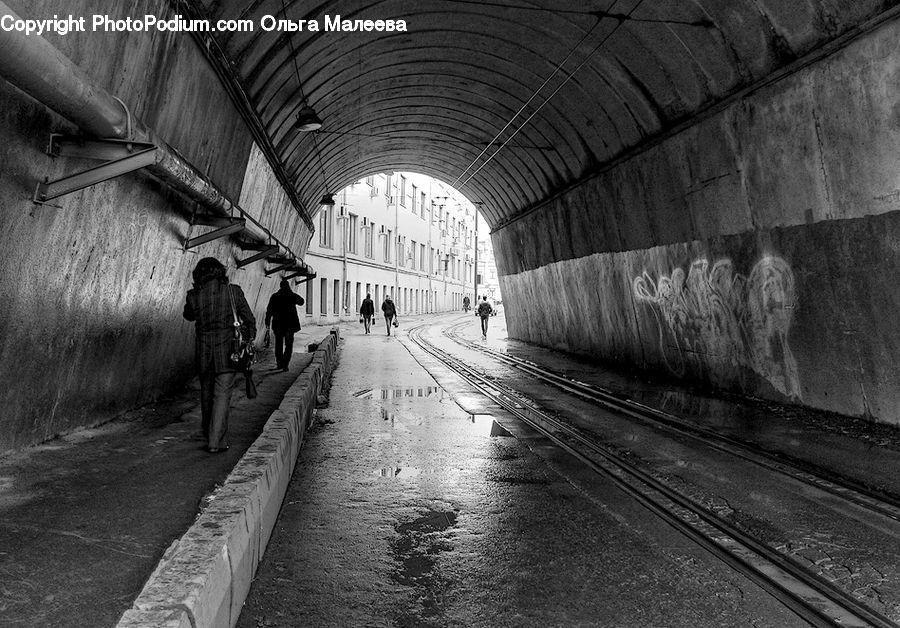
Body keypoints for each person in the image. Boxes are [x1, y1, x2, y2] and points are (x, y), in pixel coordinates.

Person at [183, 257, 256, 453]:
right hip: (229, 352)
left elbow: (188, 315)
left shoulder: (193, 295)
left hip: (204, 353)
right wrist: (248, 341)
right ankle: (216, 441)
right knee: (222, 395)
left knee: (206, 394)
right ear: (220, 272)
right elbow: (249, 320)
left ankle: (209, 433)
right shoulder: (234, 292)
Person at [265, 279, 305, 371]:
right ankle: (285, 365)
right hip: (290, 326)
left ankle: (279, 363)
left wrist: (267, 321)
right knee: (289, 345)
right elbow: (302, 302)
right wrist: (292, 294)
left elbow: (269, 310)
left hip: (278, 325)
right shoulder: (292, 296)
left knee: (278, 345)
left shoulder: (275, 296)